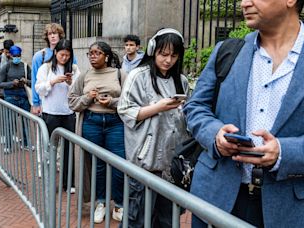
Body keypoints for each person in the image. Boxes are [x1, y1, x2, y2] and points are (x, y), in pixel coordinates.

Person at [183, 0, 304, 227]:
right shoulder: (228, 51)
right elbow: (195, 107)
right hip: (216, 198)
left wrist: (284, 153)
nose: (244, 3)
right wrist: (215, 135)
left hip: (287, 209)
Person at [117, 28, 189, 227]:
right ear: (152, 51)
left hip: (172, 163)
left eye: (174, 56)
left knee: (167, 220)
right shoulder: (138, 76)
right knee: (137, 219)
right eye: (163, 54)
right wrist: (158, 107)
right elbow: (124, 110)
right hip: (145, 162)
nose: (168, 60)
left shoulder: (181, 81)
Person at [68, 41, 127, 223]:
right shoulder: (84, 75)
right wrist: (87, 98)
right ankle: (100, 203)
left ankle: (119, 203)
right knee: (97, 165)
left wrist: (111, 102)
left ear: (106, 56)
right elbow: (71, 101)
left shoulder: (120, 73)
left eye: (97, 53)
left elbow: (129, 100)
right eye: (90, 53)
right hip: (91, 122)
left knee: (119, 164)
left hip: (115, 123)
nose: (93, 56)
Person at [36, 39, 80, 193]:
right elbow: (39, 89)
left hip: (68, 113)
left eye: (67, 55)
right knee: (49, 147)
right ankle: (49, 181)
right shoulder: (45, 68)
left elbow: (78, 90)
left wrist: (70, 83)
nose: (64, 58)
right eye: (62, 55)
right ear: (55, 53)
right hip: (50, 113)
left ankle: (68, 183)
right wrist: (52, 82)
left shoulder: (74, 69)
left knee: (69, 149)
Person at [31, 23, 65, 116]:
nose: (53, 36)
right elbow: (34, 80)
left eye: (55, 33)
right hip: (45, 102)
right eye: (50, 34)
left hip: (64, 104)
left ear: (60, 35)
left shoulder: (68, 55)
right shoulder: (39, 56)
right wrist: (36, 103)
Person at [0, 45, 31, 112]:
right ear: (10, 55)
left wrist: (26, 81)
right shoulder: (6, 67)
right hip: (10, 96)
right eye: (15, 56)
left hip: (23, 97)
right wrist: (12, 83)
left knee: (25, 120)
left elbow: (34, 82)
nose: (17, 57)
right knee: (11, 121)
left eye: (18, 56)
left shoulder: (25, 66)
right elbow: (0, 84)